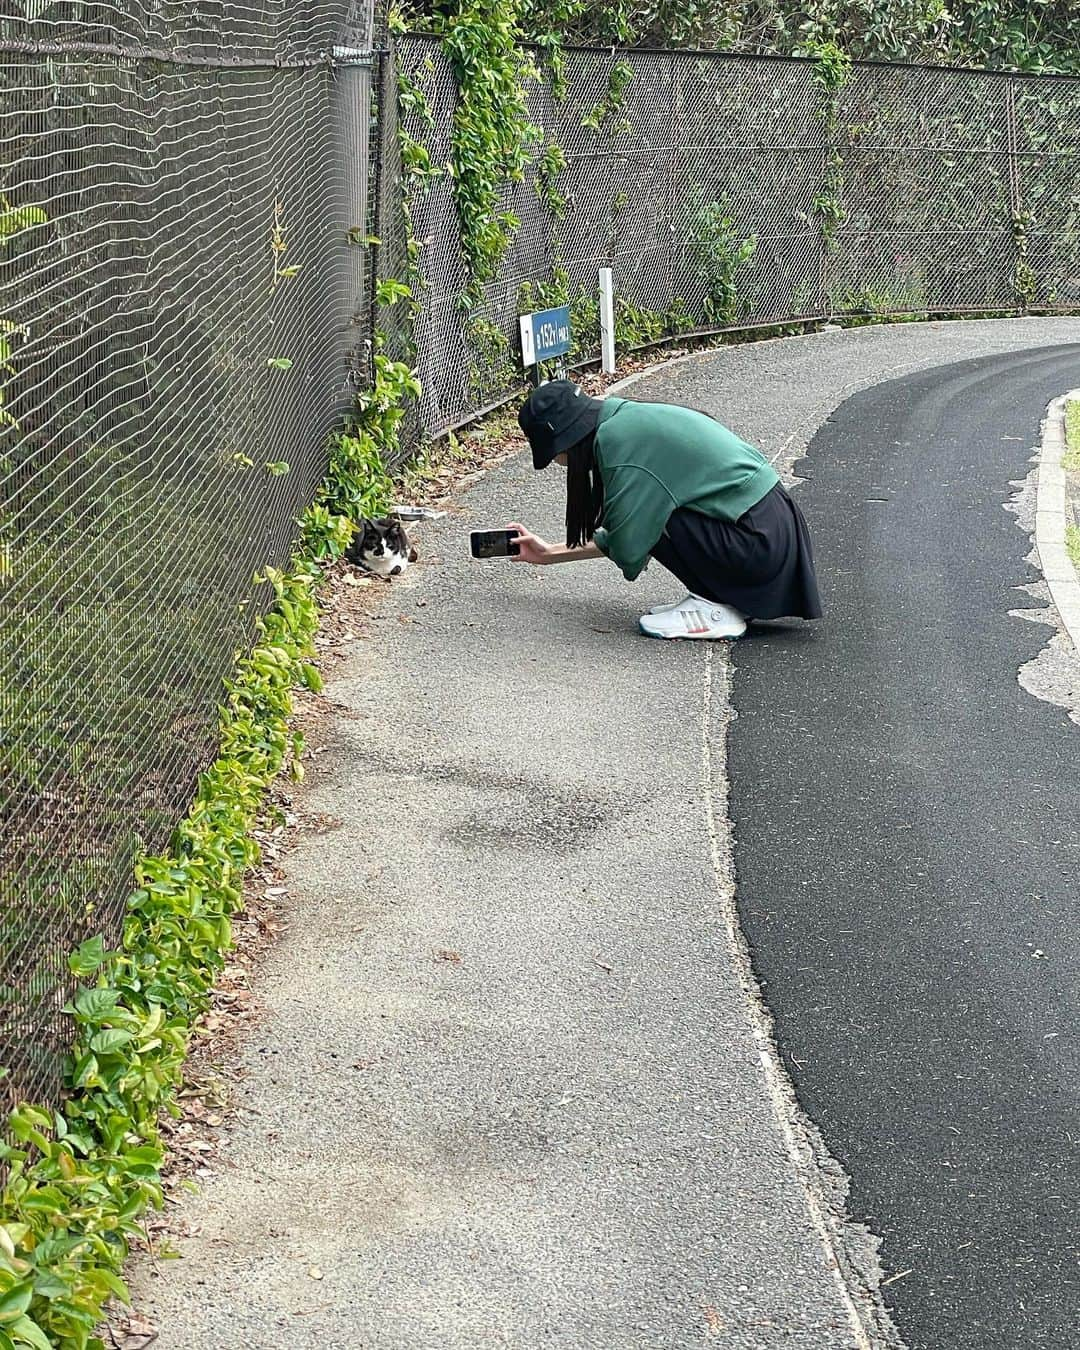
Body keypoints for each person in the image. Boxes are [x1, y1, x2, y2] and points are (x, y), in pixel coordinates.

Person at [509, 379, 822, 640]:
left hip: (757, 544)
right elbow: (627, 532)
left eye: (551, 453)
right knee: (650, 510)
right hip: (768, 531)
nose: (555, 462)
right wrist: (548, 554)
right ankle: (725, 599)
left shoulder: (617, 441)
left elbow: (629, 544)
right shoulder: (625, 416)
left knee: (653, 513)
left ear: (565, 441)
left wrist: (559, 552)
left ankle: (714, 608)